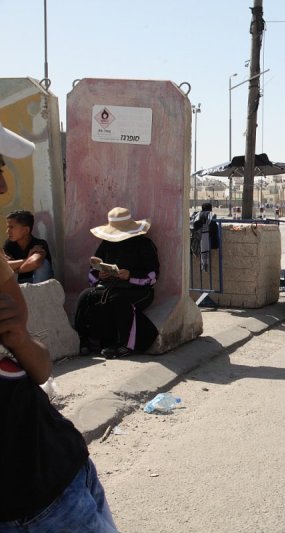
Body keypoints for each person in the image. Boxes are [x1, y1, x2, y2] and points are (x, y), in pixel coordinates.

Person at [0, 121, 117, 531]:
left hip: (59, 473)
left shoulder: (24, 252)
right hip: (29, 499)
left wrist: (16, 334)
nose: (2, 186)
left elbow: (36, 364)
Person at [74, 207, 160, 359]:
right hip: (109, 286)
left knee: (119, 300)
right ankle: (84, 339)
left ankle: (124, 344)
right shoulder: (107, 244)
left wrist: (130, 276)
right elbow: (92, 271)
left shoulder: (144, 244)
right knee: (85, 296)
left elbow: (152, 276)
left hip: (138, 289)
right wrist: (100, 274)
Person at [4, 210, 54, 284]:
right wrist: (27, 259)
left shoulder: (39, 244)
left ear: (26, 230)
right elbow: (4, 265)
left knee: (44, 264)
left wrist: (17, 269)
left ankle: (38, 294)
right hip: (18, 283)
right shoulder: (9, 244)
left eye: (11, 227)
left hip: (36, 282)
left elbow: (35, 262)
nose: (7, 231)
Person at [190, 202, 219, 272]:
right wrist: (215, 246)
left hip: (195, 241)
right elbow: (213, 231)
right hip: (206, 243)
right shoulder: (210, 217)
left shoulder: (196, 216)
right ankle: (204, 266)